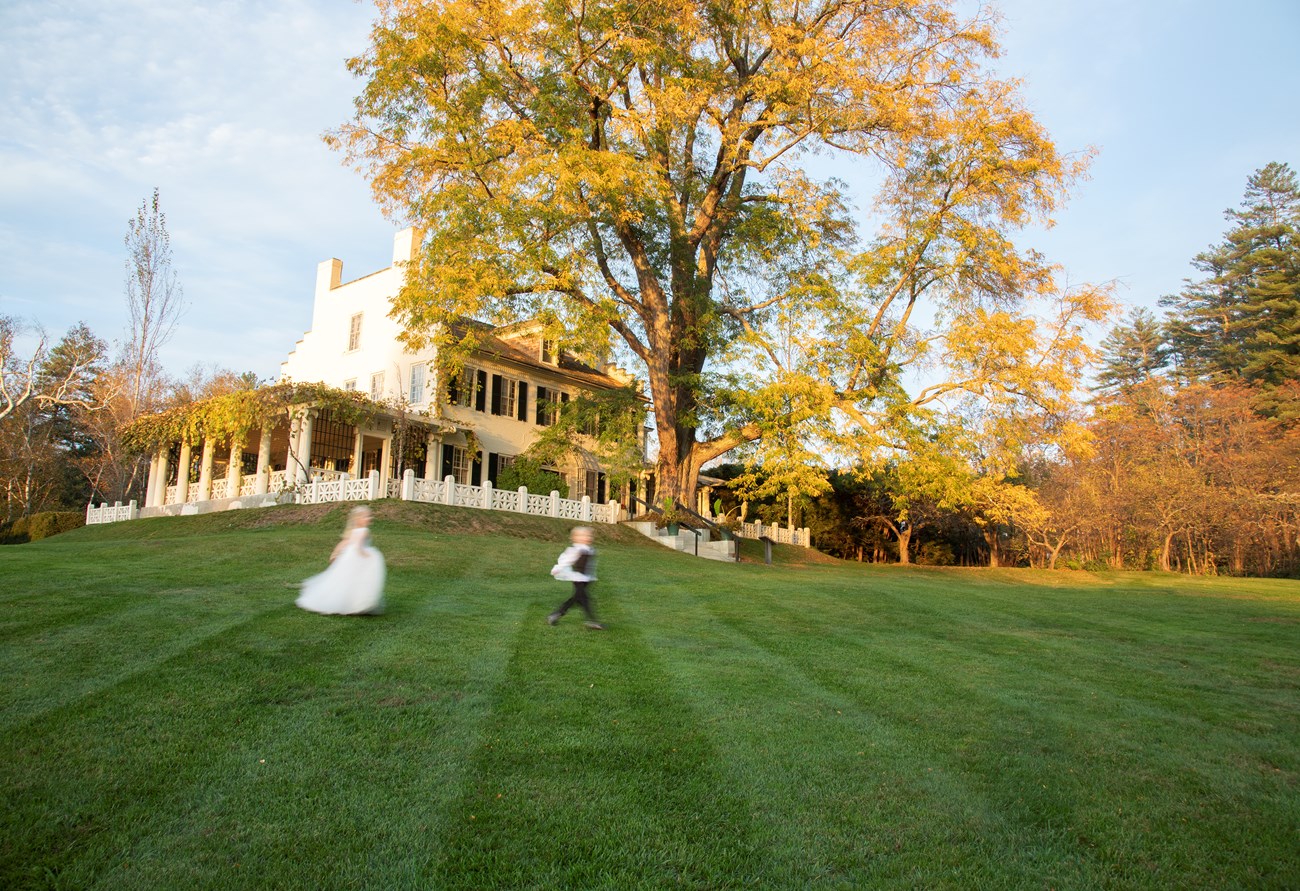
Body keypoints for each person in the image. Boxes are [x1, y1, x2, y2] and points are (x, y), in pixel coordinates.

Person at [296, 505, 386, 615]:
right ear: (358, 519)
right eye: (367, 516)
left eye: (369, 516)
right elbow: (358, 546)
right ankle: (358, 603)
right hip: (358, 557)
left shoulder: (353, 531)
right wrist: (365, 554)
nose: (370, 518)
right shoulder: (364, 531)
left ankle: (348, 602)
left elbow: (344, 543)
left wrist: (334, 553)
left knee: (346, 580)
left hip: (349, 557)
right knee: (359, 580)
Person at [548, 525, 603, 630]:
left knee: (576, 599)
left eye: (589, 536)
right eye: (583, 536)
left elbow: (590, 565)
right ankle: (592, 621)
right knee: (585, 599)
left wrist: (592, 577)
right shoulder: (576, 549)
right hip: (578, 578)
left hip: (587, 579)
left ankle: (556, 614)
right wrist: (557, 568)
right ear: (575, 538)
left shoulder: (590, 549)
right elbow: (566, 560)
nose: (587, 538)